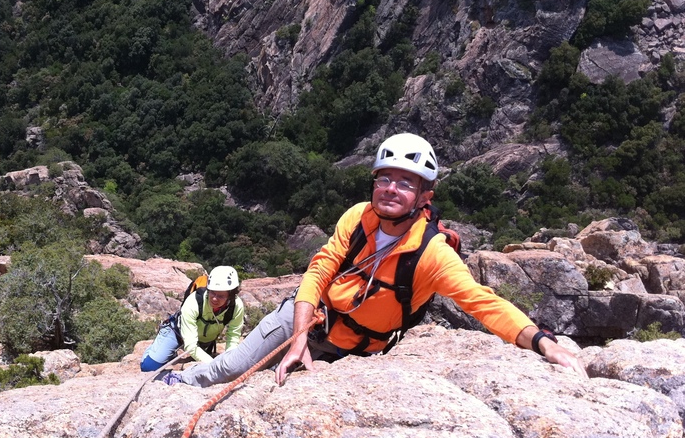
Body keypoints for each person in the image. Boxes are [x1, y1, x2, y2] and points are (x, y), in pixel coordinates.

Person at [163, 132, 588, 387]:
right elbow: (321, 270)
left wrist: (542, 341)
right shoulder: (358, 218)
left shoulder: (431, 253)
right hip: (309, 320)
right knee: (233, 368)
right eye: (384, 178)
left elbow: (482, 302)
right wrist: (297, 337)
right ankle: (179, 382)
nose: (390, 188)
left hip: (356, 351)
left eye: (406, 183)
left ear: (425, 197)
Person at [140, 266, 245, 371]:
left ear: (230, 296)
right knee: (148, 366)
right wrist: (214, 365)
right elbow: (191, 346)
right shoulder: (194, 302)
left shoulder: (236, 306)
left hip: (203, 340)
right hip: (177, 333)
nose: (214, 298)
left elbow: (233, 335)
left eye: (221, 296)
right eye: (212, 292)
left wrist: (230, 360)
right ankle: (158, 347)